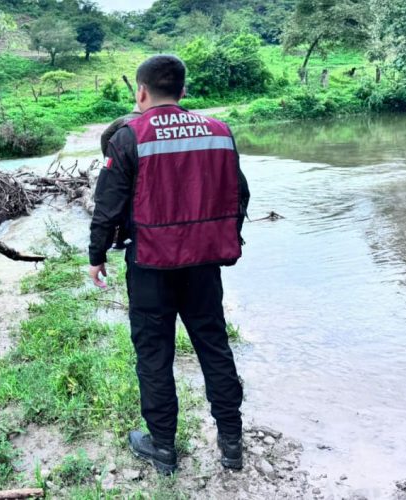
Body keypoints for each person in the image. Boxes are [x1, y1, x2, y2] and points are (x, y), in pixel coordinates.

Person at [88, 55, 250, 475]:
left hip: (150, 267)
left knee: (154, 356)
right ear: (182, 90)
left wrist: (96, 255)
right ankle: (231, 445)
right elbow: (240, 194)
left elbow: (107, 206)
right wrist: (225, 236)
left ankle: (163, 450)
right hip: (203, 266)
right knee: (214, 347)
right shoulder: (218, 131)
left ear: (140, 92)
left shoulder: (129, 136)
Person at [100, 105, 141, 251]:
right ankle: (127, 237)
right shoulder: (146, 121)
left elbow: (105, 136)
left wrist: (109, 157)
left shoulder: (120, 120)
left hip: (121, 167)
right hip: (139, 168)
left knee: (116, 202)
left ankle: (114, 241)